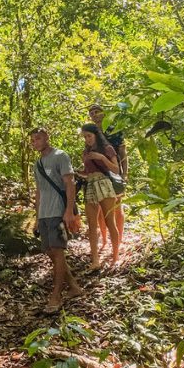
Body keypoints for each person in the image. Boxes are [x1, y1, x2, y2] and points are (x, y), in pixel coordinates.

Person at [29, 127, 84, 312]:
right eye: (33, 140)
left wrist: (68, 211)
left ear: (47, 137)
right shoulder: (37, 164)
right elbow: (38, 191)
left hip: (57, 211)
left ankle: (56, 295)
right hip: (44, 213)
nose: (35, 142)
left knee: (58, 251)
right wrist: (37, 217)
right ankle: (74, 287)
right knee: (50, 252)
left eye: (38, 138)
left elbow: (70, 183)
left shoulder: (60, 156)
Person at [80, 123, 122, 270]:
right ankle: (95, 261)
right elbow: (87, 172)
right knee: (91, 225)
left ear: (96, 135)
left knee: (109, 221)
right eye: (85, 137)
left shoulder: (107, 148)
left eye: (89, 136)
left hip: (104, 184)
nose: (87, 139)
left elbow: (116, 169)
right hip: (90, 185)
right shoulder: (86, 152)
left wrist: (102, 158)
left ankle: (115, 256)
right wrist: (76, 173)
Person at [88, 104, 127, 259]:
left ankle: (119, 240)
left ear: (103, 113)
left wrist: (124, 174)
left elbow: (123, 152)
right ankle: (104, 240)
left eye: (96, 112)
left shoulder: (113, 129)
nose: (94, 115)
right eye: (92, 113)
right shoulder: (91, 133)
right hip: (98, 175)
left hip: (114, 172)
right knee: (100, 207)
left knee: (116, 206)